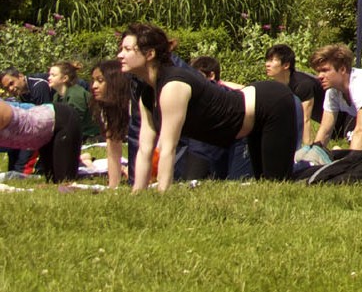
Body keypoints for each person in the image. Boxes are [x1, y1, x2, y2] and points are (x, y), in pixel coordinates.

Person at [120, 23, 299, 189]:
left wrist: (162, 195)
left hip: (270, 104)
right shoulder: (147, 94)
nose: (120, 55)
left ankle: (317, 176)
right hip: (249, 115)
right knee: (264, 184)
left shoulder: (173, 85)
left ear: (150, 54)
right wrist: (137, 193)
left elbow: (168, 148)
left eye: (127, 49)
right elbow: (144, 149)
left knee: (277, 183)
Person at [88, 60, 133, 187]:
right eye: (93, 81)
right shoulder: (105, 108)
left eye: (100, 81)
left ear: (116, 82)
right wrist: (113, 187)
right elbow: (113, 149)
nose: (94, 86)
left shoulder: (134, 105)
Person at [264, 44, 325, 131]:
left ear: (286, 65)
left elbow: (305, 120)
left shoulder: (302, 85)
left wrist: (307, 145)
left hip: (343, 124)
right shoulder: (281, 84)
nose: (267, 64)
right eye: (267, 60)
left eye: (272, 60)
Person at [46, 61, 97, 143]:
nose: (49, 78)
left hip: (91, 135)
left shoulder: (76, 94)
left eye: (53, 75)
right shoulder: (57, 96)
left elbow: (75, 121)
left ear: (64, 78)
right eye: (49, 75)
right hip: (77, 135)